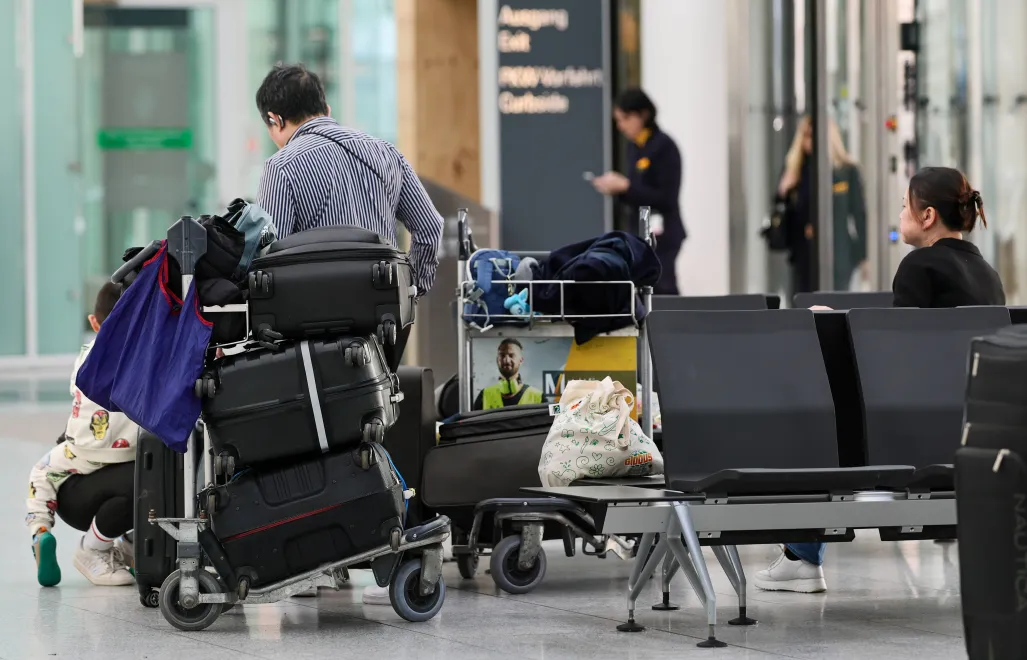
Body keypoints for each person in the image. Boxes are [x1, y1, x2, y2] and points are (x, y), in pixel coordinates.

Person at [755, 166, 1004, 594]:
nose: (900, 214)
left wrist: (833, 326)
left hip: (910, 441)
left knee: (815, 415)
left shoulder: (918, 266)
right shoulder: (988, 276)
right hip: (974, 436)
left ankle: (802, 556)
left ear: (927, 217)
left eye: (905, 206)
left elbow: (893, 362)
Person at [255, 63, 443, 605]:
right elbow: (428, 232)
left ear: (276, 119)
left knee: (311, 429)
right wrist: (407, 302)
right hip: (381, 328)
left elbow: (278, 260)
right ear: (326, 105)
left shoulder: (282, 167)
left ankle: (320, 557)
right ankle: (373, 534)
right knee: (368, 423)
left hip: (314, 340)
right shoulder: (382, 153)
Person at [27, 283, 138, 587]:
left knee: (42, 473)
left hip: (78, 456)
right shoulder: (146, 356)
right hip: (124, 464)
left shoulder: (85, 358)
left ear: (94, 323)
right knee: (151, 478)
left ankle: (40, 532)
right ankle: (94, 549)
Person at [591, 88, 685, 295]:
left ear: (642, 114)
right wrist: (619, 190)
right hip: (640, 232)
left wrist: (626, 187)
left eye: (625, 118)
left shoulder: (664, 147)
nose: (621, 126)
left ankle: (672, 327)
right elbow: (637, 194)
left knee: (663, 288)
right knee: (642, 290)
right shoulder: (634, 147)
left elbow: (666, 198)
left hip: (663, 233)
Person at [774, 116, 867, 294]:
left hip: (838, 254)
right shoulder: (795, 171)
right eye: (806, 135)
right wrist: (784, 191)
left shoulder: (847, 171)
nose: (810, 141)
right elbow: (782, 211)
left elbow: (859, 214)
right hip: (803, 256)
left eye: (814, 135)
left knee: (835, 305)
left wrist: (863, 255)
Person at [473, 339, 543, 410]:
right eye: (502, 355)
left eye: (511, 355)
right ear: (497, 360)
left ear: (521, 361)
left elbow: (554, 417)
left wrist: (555, 405)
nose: (506, 360)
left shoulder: (538, 396)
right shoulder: (484, 395)